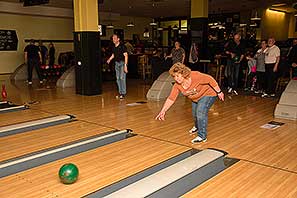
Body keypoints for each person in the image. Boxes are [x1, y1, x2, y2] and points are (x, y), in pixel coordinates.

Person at [155, 63, 224, 143]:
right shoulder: (177, 85)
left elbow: (210, 79)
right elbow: (171, 99)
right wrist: (163, 111)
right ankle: (197, 126)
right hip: (195, 99)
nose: (176, 79)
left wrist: (219, 92)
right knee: (195, 115)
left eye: (178, 75)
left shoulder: (195, 76)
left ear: (183, 73)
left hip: (208, 94)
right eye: (174, 76)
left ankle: (202, 136)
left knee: (200, 112)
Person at [107, 34, 128, 99]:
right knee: (118, 79)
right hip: (116, 64)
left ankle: (123, 93)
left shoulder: (122, 46)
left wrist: (125, 66)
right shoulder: (113, 47)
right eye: (113, 38)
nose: (113, 39)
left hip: (122, 63)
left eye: (115, 38)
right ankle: (120, 93)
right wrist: (109, 59)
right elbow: (113, 55)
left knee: (122, 78)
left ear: (118, 39)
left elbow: (126, 56)